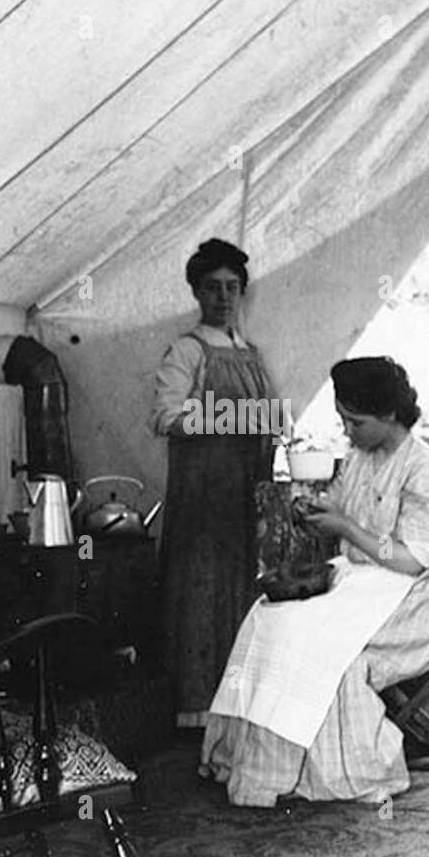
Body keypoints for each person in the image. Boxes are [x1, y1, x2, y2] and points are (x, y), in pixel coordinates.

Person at [200, 356, 429, 806]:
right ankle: (257, 762)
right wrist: (317, 513)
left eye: (356, 421)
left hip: (417, 597)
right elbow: (343, 507)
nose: (347, 430)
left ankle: (331, 770)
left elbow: (410, 558)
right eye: (342, 419)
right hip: (364, 582)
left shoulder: (427, 472)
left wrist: (345, 528)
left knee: (328, 650)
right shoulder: (362, 457)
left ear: (389, 415)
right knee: (269, 619)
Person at [152, 238, 277, 729]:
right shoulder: (187, 350)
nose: (224, 297)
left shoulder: (251, 353)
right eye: (213, 287)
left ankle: (238, 709)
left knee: (245, 594)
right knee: (201, 595)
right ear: (197, 293)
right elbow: (165, 416)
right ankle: (198, 713)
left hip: (247, 496)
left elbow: (266, 421)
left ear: (242, 293)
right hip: (202, 496)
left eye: (232, 287)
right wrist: (235, 417)